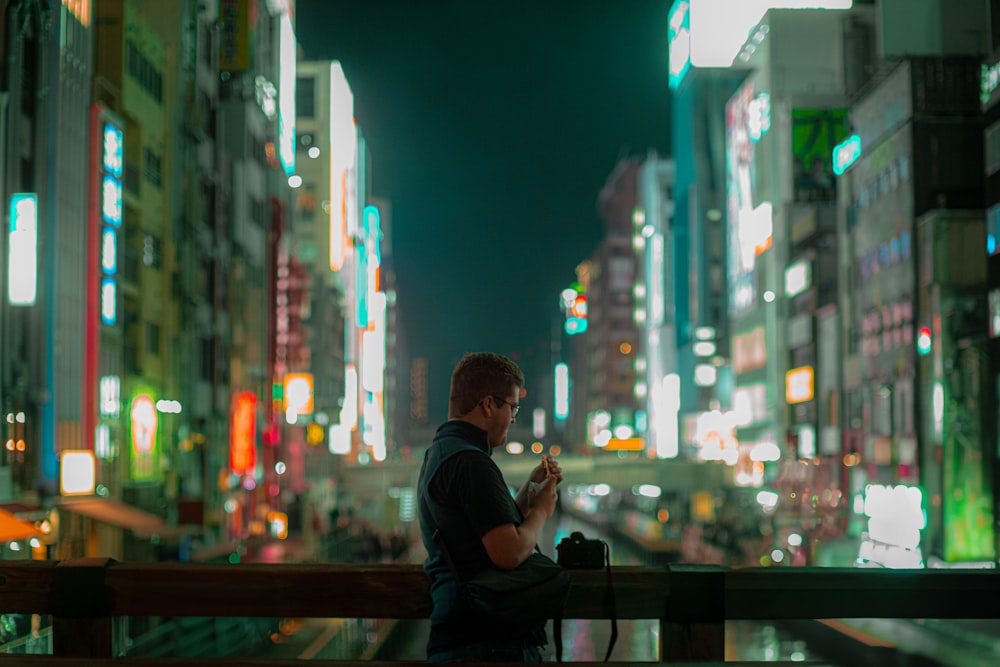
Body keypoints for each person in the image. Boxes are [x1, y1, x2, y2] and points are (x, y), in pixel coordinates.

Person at [417, 352, 562, 663]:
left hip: (456, 633)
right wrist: (542, 511)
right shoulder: (472, 462)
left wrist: (528, 492)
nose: (512, 418)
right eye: (512, 407)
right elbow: (508, 553)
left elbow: (483, 529)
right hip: (485, 642)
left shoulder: (441, 453)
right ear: (487, 404)